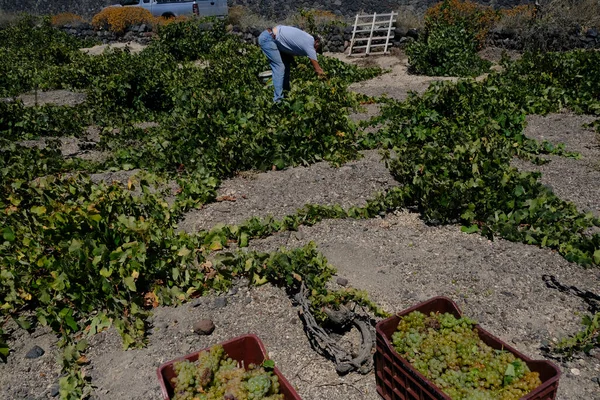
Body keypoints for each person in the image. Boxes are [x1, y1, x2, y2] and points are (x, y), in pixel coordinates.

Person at [258, 25, 325, 102]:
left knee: (286, 65)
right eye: (317, 48)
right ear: (316, 42)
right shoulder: (310, 43)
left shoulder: (305, 38)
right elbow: (318, 70)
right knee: (279, 67)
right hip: (268, 39)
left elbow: (289, 49)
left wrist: (296, 65)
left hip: (273, 39)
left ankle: (285, 95)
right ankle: (278, 101)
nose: (316, 51)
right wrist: (327, 83)